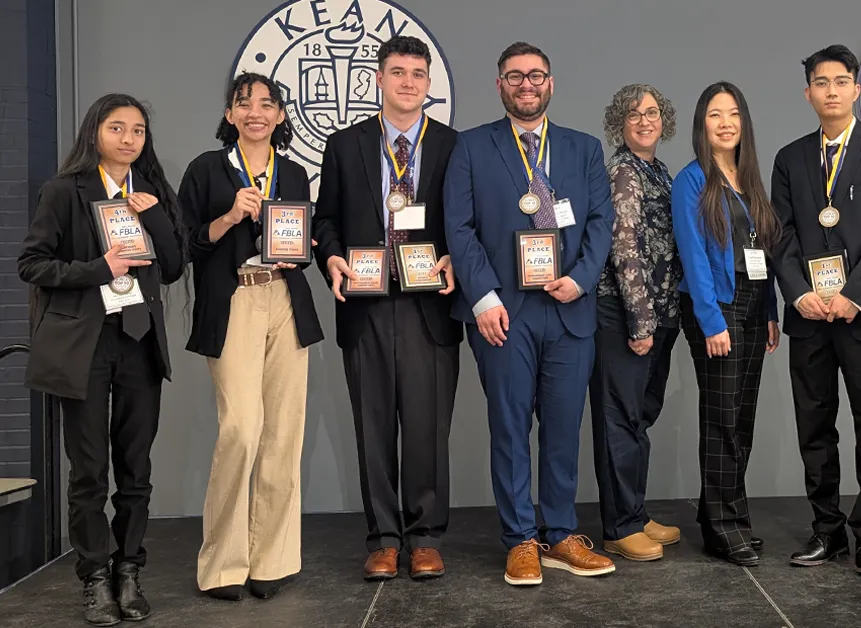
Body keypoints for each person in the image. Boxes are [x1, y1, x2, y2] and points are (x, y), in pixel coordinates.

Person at [443, 41, 615, 586]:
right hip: (504, 315)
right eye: (514, 76)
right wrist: (485, 297)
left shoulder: (584, 149)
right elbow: (460, 229)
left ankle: (560, 534)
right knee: (511, 427)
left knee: (563, 429)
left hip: (569, 310)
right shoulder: (471, 148)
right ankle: (520, 540)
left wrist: (583, 277)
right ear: (499, 85)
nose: (526, 84)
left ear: (551, 83)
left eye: (536, 75)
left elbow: (600, 226)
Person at [18, 93, 186, 626]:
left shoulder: (153, 192)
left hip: (138, 339)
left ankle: (128, 570)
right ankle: (93, 576)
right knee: (88, 471)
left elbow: (177, 265)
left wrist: (156, 216)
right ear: (96, 132)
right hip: (84, 344)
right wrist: (98, 267)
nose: (129, 139)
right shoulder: (65, 191)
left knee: (136, 468)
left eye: (138, 131)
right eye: (118, 128)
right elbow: (33, 264)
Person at [312, 35, 462, 581]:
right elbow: (325, 219)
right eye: (397, 72)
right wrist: (330, 259)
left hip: (431, 305)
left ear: (428, 83)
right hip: (367, 302)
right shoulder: (345, 144)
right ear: (378, 78)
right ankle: (381, 538)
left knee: (427, 429)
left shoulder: (451, 145)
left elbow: (465, 224)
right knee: (372, 426)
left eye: (417, 74)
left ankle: (424, 537)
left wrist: (454, 260)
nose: (407, 82)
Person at [770, 45, 861, 575]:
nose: (830, 90)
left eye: (840, 81)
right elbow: (780, 235)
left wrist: (855, 293)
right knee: (814, 423)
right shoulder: (790, 157)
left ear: (857, 88)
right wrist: (798, 292)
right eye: (820, 82)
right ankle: (826, 530)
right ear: (807, 92)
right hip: (810, 313)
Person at [179, 72, 324, 600]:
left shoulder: (293, 171)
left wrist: (290, 240)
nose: (255, 112)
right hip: (234, 298)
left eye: (267, 104)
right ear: (230, 114)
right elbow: (183, 244)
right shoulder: (206, 169)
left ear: (281, 116)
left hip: (284, 297)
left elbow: (302, 247)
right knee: (241, 428)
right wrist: (229, 217)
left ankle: (272, 560)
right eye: (245, 104)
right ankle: (222, 564)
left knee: (284, 432)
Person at [673, 81, 781, 567]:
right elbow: (693, 255)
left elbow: (764, 252)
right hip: (717, 307)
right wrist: (710, 318)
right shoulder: (692, 179)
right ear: (702, 124)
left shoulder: (750, 178)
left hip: (755, 304)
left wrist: (772, 309)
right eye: (715, 114)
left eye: (733, 113)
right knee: (721, 418)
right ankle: (721, 526)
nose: (725, 123)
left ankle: (730, 516)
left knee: (743, 418)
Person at [590, 84, 682, 562]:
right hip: (626, 316)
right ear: (619, 123)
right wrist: (641, 323)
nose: (644, 120)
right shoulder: (623, 173)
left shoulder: (659, 173)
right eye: (633, 114)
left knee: (640, 417)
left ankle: (636, 512)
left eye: (651, 112)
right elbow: (623, 248)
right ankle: (619, 526)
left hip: (662, 314)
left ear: (663, 119)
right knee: (620, 420)